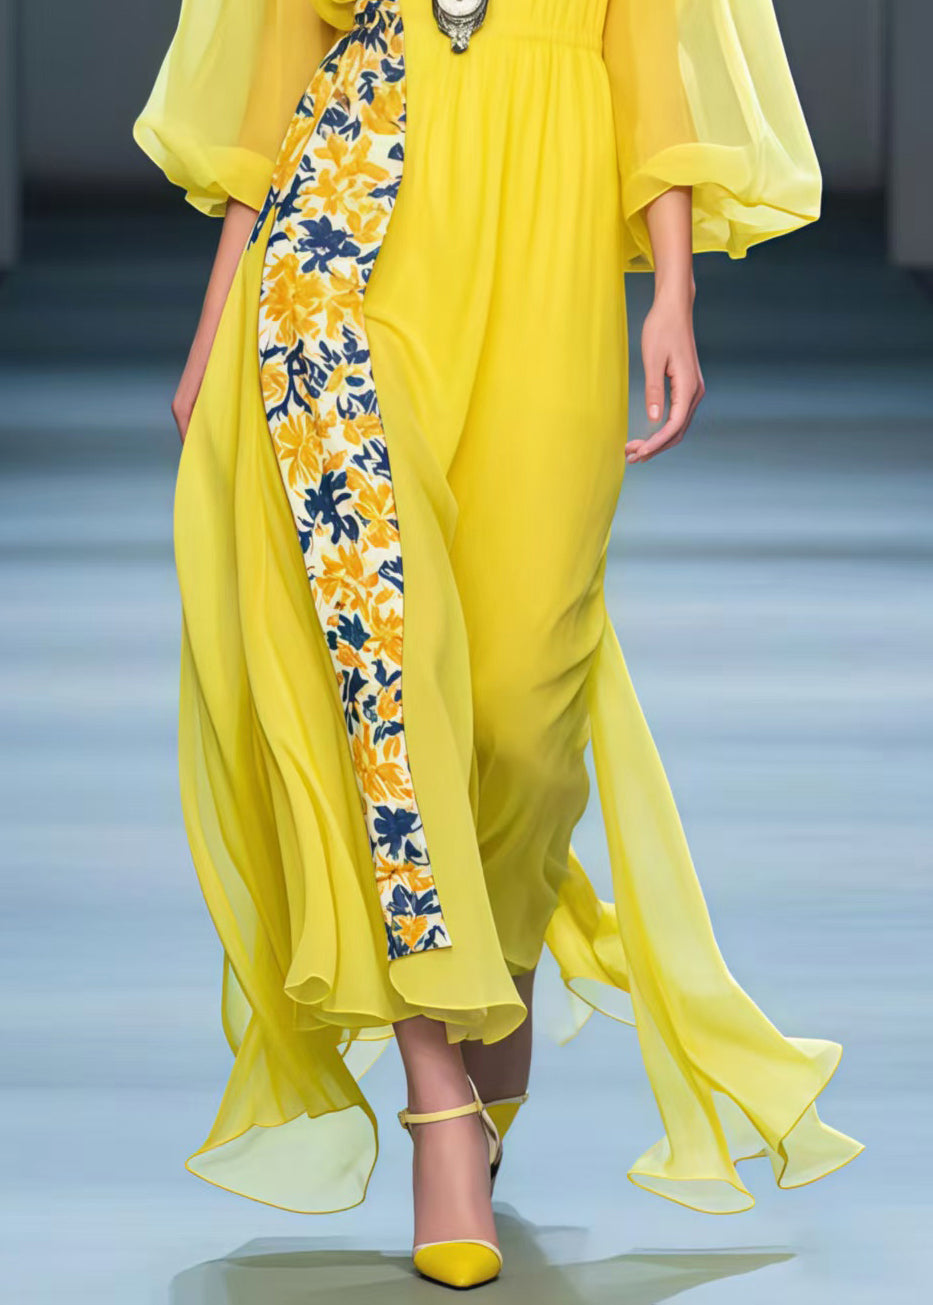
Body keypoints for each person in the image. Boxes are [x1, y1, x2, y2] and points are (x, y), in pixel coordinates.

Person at [134, 0, 863, 1289]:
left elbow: (651, 61)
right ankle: (439, 1100)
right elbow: (278, 65)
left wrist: (675, 289)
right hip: (341, 249)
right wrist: (214, 322)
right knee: (382, 676)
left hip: (548, 247)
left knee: (527, 705)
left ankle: (503, 953)